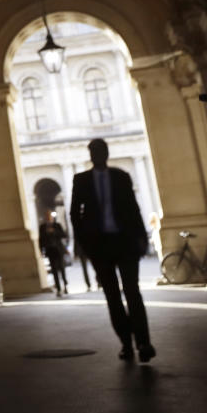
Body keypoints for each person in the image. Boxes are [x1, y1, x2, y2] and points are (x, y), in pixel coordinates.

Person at [70, 139, 155, 362]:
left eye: (103, 150)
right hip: (100, 247)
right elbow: (74, 214)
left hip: (125, 242)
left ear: (107, 153)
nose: (100, 154)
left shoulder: (121, 176)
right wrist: (83, 244)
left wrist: (141, 238)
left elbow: (134, 209)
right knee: (113, 297)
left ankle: (144, 342)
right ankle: (126, 343)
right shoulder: (81, 180)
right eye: (96, 151)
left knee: (132, 292)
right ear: (91, 154)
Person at [38, 211, 69, 296]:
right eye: (47, 216)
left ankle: (65, 285)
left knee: (62, 268)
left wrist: (54, 232)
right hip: (50, 251)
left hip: (58, 250)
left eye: (49, 216)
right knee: (54, 270)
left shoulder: (57, 225)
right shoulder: (42, 227)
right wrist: (41, 251)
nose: (48, 218)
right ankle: (58, 288)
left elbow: (63, 235)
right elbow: (41, 240)